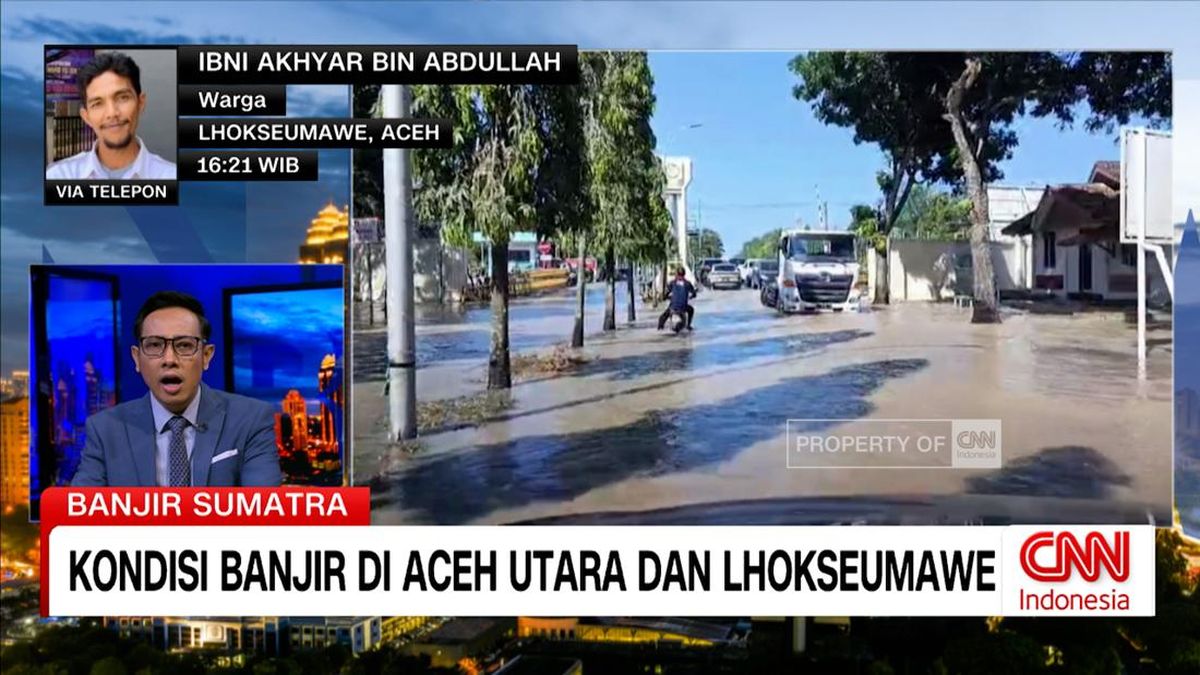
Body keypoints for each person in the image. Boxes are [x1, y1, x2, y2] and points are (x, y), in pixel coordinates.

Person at [71, 291, 281, 487]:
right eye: (154, 345)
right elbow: (78, 518)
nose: (169, 359)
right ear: (137, 358)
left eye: (184, 346)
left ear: (206, 356)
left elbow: (264, 514)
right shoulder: (104, 429)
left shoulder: (251, 420)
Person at [46, 52, 176, 180]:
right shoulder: (58, 177)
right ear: (86, 117)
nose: (112, 113)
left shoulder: (171, 177)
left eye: (122, 98)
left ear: (140, 103)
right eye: (97, 104)